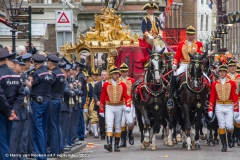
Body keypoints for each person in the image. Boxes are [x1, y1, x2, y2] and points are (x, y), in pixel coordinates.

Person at [167, 25, 204, 109]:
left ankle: (205, 97)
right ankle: (171, 98)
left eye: (192, 35)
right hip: (183, 65)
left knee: (206, 78)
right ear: (186, 35)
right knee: (174, 76)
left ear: (194, 35)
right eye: (188, 35)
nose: (190, 36)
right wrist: (174, 64)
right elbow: (176, 57)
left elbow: (201, 55)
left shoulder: (199, 44)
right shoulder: (181, 44)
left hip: (195, 65)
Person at [99, 66, 131, 152]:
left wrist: (128, 105)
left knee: (118, 126)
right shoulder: (106, 84)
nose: (117, 75)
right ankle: (109, 144)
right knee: (109, 125)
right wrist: (101, 110)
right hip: (109, 106)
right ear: (111, 75)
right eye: (114, 74)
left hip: (119, 106)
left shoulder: (122, 84)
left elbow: (126, 96)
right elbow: (102, 97)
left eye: (117, 74)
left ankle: (116, 145)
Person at [208, 65, 238, 152]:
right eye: (220, 72)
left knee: (229, 126)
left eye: (223, 72)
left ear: (226, 73)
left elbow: (235, 96)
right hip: (219, 106)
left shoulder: (232, 83)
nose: (222, 73)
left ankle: (230, 137)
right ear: (219, 73)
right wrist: (210, 109)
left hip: (229, 106)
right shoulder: (215, 83)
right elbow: (212, 97)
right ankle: (224, 145)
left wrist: (236, 110)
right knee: (221, 125)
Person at [29, 54, 53, 160]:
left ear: (35, 63)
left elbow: (30, 86)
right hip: (47, 101)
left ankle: (40, 155)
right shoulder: (49, 74)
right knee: (43, 128)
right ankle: (44, 153)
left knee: (37, 128)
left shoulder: (36, 75)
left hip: (38, 103)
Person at [0, 48, 21, 160]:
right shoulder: (15, 75)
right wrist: (14, 110)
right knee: (7, 141)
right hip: (12, 112)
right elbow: (20, 95)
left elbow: (0, 97)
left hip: (3, 112)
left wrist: (8, 112)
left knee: (2, 143)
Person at [46, 54, 66, 155]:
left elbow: (48, 87)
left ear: (50, 64)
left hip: (53, 100)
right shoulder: (61, 74)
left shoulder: (53, 74)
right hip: (59, 99)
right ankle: (60, 147)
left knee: (53, 125)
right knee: (57, 125)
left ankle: (54, 150)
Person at [119, 63, 135, 147]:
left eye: (125, 72)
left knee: (130, 121)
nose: (124, 73)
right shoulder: (118, 81)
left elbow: (134, 93)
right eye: (122, 72)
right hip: (121, 104)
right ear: (120, 72)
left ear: (128, 72)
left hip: (130, 103)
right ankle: (123, 140)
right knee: (122, 123)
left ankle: (130, 134)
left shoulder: (132, 80)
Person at [226, 59, 240, 146]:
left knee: (238, 120)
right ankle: (230, 138)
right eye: (231, 67)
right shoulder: (225, 77)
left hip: (238, 99)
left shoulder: (239, 76)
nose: (232, 68)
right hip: (228, 101)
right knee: (229, 121)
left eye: (234, 67)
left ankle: (237, 137)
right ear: (228, 68)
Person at [93, 70, 108, 140]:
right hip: (100, 104)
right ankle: (102, 134)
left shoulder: (109, 84)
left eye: (104, 75)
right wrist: (97, 101)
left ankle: (109, 133)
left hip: (108, 104)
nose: (103, 76)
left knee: (108, 119)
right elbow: (94, 94)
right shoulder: (97, 84)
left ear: (107, 76)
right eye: (102, 75)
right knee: (101, 120)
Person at [88, 69, 99, 138]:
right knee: (94, 116)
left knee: (99, 116)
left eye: (96, 75)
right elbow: (87, 95)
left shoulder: (100, 83)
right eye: (94, 75)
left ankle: (97, 130)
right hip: (92, 101)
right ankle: (95, 132)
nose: (95, 77)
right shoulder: (88, 85)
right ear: (91, 76)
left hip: (99, 101)